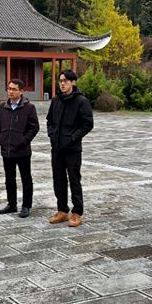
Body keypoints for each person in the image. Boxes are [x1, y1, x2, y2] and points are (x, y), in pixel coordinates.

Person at [46, 69, 94, 228]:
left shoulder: (81, 101)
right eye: (60, 81)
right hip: (57, 147)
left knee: (74, 180)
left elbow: (87, 124)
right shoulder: (56, 100)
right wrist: (52, 135)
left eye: (66, 81)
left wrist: (73, 138)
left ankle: (77, 212)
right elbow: (49, 120)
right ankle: (62, 210)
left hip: (72, 149)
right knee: (58, 179)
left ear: (73, 82)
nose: (62, 84)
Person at [0, 78, 40, 218]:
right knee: (9, 178)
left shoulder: (29, 107)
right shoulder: (2, 107)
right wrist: (1, 140)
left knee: (26, 178)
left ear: (21, 91)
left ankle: (26, 206)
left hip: (22, 150)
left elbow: (34, 127)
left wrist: (23, 141)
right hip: (6, 150)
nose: (10, 91)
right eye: (9, 88)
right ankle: (12, 204)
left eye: (14, 89)